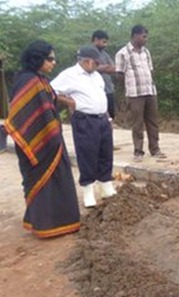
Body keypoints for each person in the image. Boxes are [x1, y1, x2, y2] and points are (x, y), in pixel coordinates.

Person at [4, 40, 81, 238]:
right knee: (40, 182)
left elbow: (50, 101)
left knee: (58, 180)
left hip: (52, 137)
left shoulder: (41, 79)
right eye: (50, 59)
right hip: (35, 141)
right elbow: (21, 115)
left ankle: (62, 222)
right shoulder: (27, 81)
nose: (54, 62)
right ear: (37, 58)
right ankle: (44, 225)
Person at [51, 46, 117, 208]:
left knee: (105, 152)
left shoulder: (96, 76)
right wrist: (70, 102)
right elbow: (50, 90)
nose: (97, 66)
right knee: (87, 154)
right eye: (96, 63)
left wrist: (108, 117)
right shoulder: (69, 75)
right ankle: (88, 190)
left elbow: (101, 96)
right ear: (86, 61)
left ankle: (106, 185)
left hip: (102, 119)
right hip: (85, 119)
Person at [115, 24, 165, 161]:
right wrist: (130, 84)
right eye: (143, 36)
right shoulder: (122, 53)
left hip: (149, 91)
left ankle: (155, 149)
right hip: (135, 94)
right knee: (137, 123)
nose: (145, 39)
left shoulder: (146, 52)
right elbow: (119, 75)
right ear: (135, 35)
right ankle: (138, 151)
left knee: (153, 122)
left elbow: (151, 70)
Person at [91, 30, 116, 120]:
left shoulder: (105, 54)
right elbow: (90, 68)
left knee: (110, 117)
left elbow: (114, 68)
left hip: (108, 89)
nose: (105, 45)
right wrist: (103, 67)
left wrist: (102, 67)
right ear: (96, 40)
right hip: (95, 91)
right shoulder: (88, 52)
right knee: (99, 117)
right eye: (103, 42)